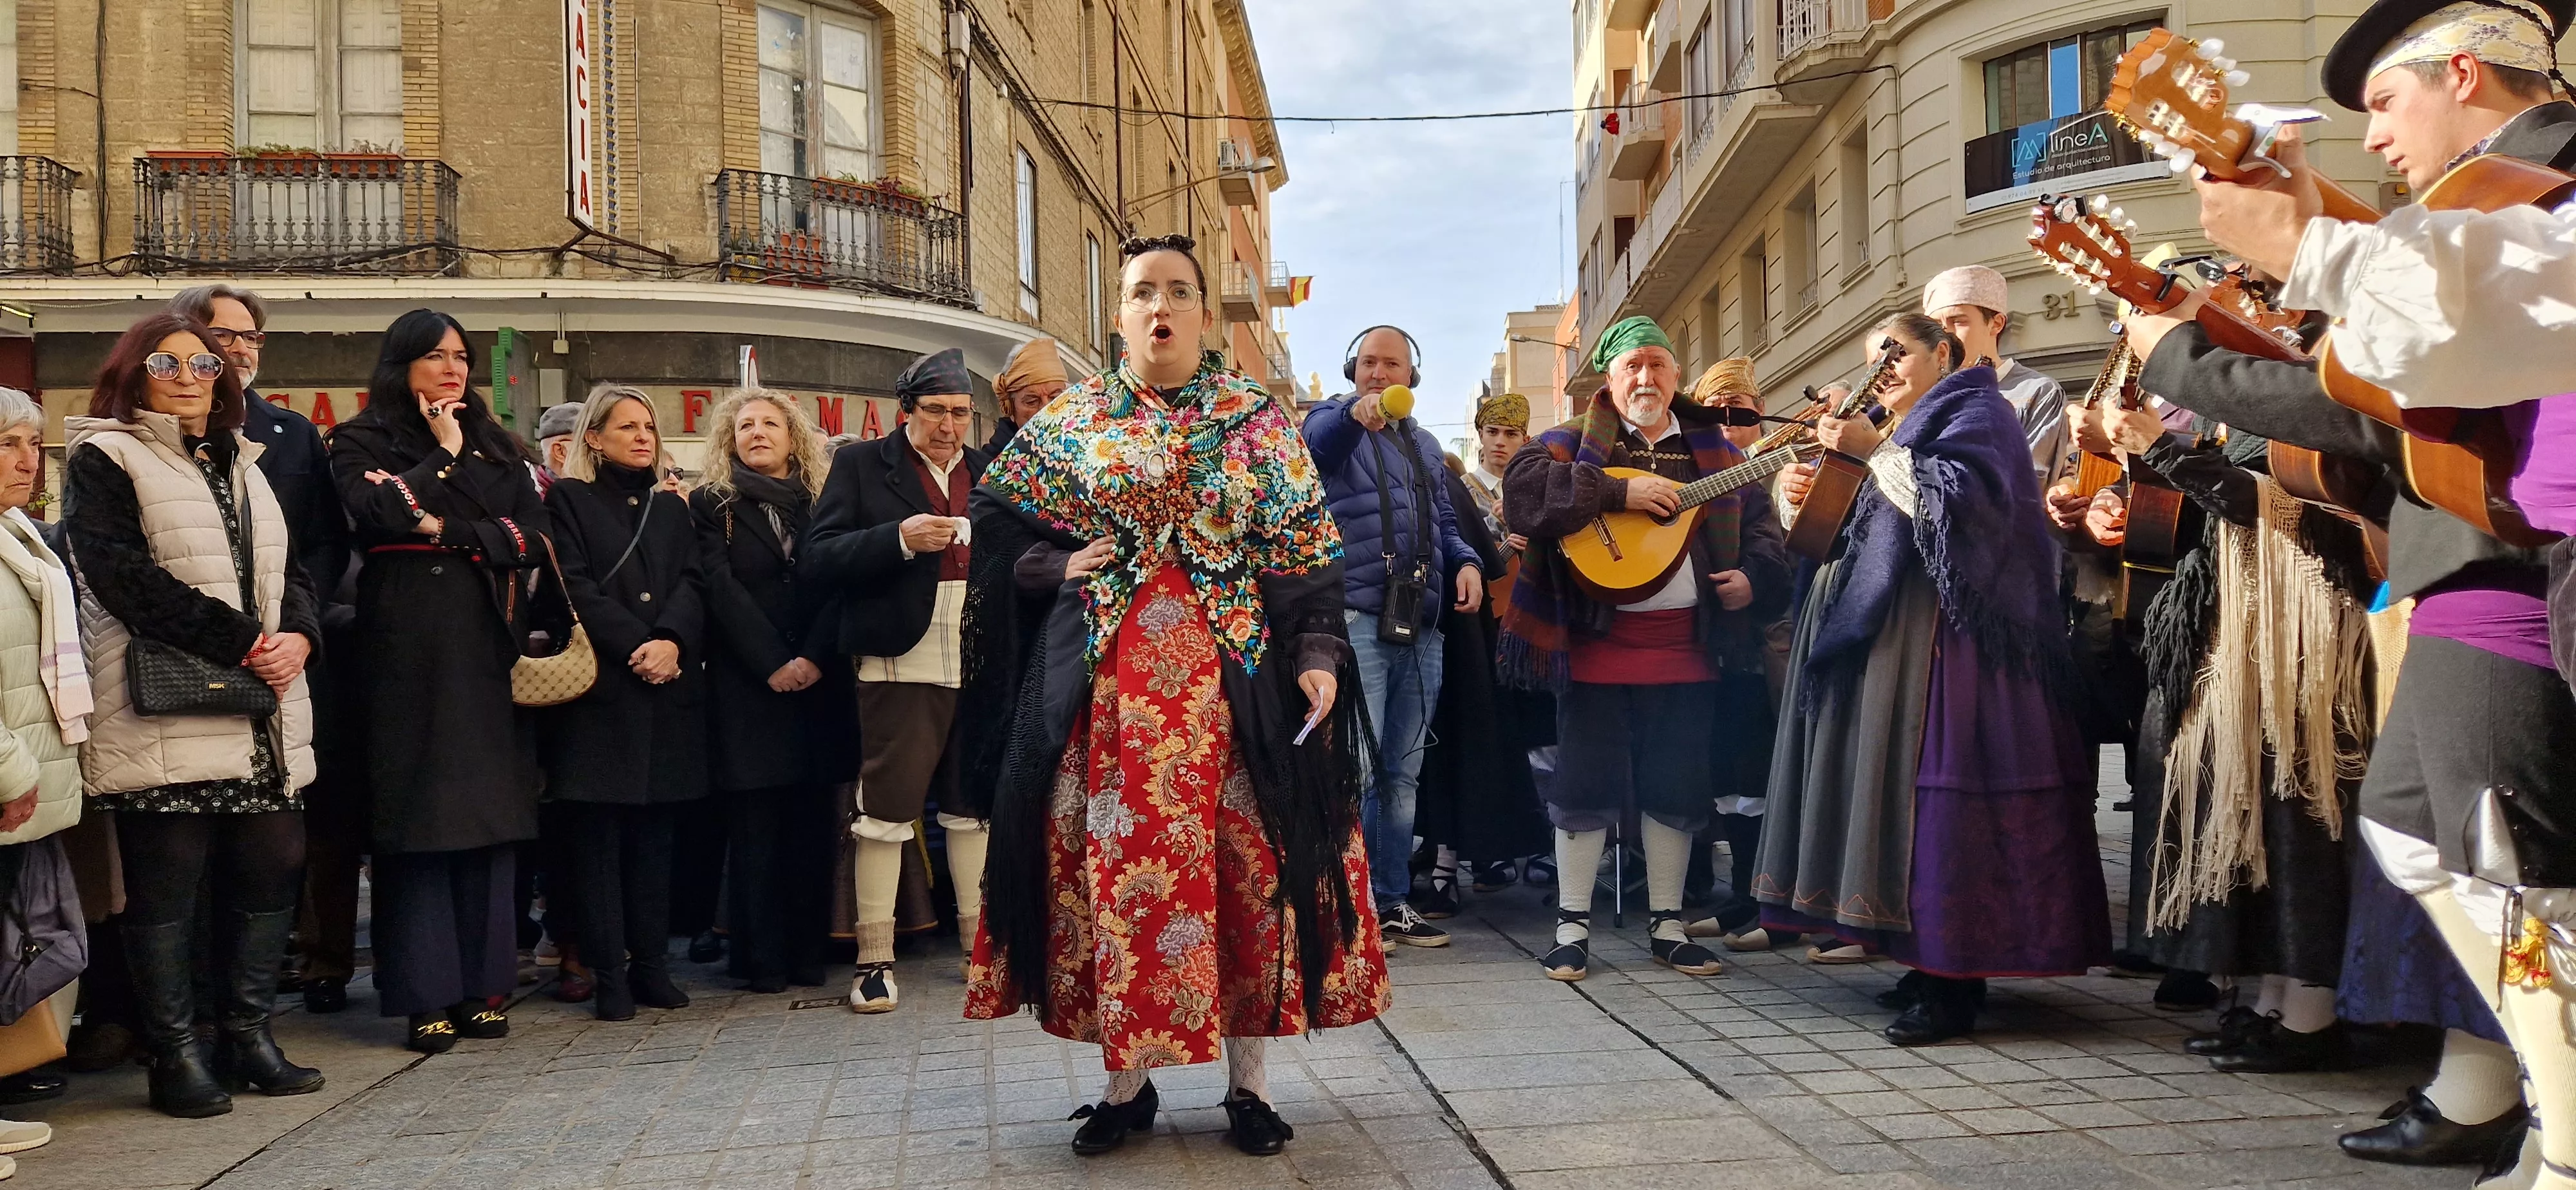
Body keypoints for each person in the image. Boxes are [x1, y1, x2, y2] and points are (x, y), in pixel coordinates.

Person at [2123, 1, 2575, 1167]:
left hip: (2518, 574)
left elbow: (2414, 360)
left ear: (2463, 70)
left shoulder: (2546, 188)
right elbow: (2398, 388)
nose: (2374, 140)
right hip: (2497, 569)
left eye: (2383, 102)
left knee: (2513, 868)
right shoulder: (2465, 218)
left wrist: (2227, 308)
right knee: (2433, 841)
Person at [964, 233, 1385, 1159]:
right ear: (1118, 314)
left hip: (1238, 694)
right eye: (1142, 292)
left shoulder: (1257, 421)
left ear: (1203, 313)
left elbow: (1307, 552)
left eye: (1180, 292)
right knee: (1114, 885)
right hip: (1107, 694)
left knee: (1251, 878)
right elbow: (992, 516)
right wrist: (1051, 560)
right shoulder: (1074, 418)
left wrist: (1317, 649)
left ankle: (1251, 1087)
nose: (1161, 307)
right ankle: (1126, 1088)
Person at [1758, 314, 2111, 1044]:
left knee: (1946, 801)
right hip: (1892, 644)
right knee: (1899, 802)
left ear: (1945, 354)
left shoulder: (1982, 410)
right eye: (1871, 359)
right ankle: (1923, 963)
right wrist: (1803, 490)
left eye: (1896, 354)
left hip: (1956, 652)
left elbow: (1967, 512)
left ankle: (1955, 980)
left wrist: (1872, 451)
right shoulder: (1901, 425)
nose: (1881, 369)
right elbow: (1860, 525)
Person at [64, 312, 323, 1117]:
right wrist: (247, 641)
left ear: (225, 376)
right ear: (135, 373)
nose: (186, 375)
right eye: (165, 361)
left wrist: (301, 639)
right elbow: (120, 576)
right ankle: (175, 1054)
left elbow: (291, 569)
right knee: (168, 885)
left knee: (272, 861)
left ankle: (247, 1037)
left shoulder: (246, 461)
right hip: (163, 706)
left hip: (261, 709)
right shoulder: (105, 455)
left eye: (203, 362)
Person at [1498, 317, 1792, 981]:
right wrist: (1616, 490)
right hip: (1596, 644)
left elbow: (1763, 532)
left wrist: (1753, 577)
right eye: (1632, 366)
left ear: (1677, 377)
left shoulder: (1714, 452)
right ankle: (1572, 924)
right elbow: (1521, 494)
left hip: (1687, 649)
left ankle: (1667, 922)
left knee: (1676, 782)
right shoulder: (1569, 442)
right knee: (1583, 782)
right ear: (1609, 378)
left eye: (1658, 364)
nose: (1646, 378)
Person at [2086, 412, 2374, 1071]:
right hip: (2236, 624)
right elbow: (2205, 510)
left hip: (2299, 631)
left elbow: (2293, 506)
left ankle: (2311, 1015)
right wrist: (2118, 497)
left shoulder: (2309, 392)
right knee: (2259, 827)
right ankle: (2274, 1001)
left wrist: (2160, 447)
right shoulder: (2240, 401)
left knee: (2299, 820)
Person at [328, 309, 551, 1053]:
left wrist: (437, 527)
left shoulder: (500, 444)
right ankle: (425, 996)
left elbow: (528, 539)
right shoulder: (362, 438)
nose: (453, 370)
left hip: (486, 647)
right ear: (402, 366)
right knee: (420, 826)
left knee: (488, 825)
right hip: (405, 650)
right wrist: (442, 460)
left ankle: (483, 988)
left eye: (461, 357)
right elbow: (373, 513)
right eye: (434, 357)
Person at [167, 284, 365, 1017]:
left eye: (253, 336)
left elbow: (321, 542)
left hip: (288, 653)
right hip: (191, 657)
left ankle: (312, 966)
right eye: (227, 334)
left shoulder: (292, 433)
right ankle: (193, 1006)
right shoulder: (149, 433)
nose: (243, 348)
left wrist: (297, 631)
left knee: (300, 824)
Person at [804, 348, 991, 1014]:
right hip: (897, 657)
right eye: (936, 411)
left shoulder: (989, 468)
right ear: (905, 411)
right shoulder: (861, 465)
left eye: (961, 413)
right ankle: (873, 960)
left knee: (973, 810)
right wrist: (900, 540)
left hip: (979, 655)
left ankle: (980, 951)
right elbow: (817, 558)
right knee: (884, 813)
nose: (949, 426)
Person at [1300, 326, 1484, 949]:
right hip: (1355, 621)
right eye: (1369, 363)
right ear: (1353, 368)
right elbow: (1319, 446)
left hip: (1421, 625)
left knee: (1403, 774)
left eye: (1392, 364)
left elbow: (1448, 523)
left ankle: (1393, 901)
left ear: (1412, 376)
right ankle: (1345, 906)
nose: (1379, 374)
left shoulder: (1427, 445)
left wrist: (1466, 563)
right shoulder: (1331, 421)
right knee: (1354, 769)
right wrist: (1356, 414)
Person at [542, 384, 709, 1021]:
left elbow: (692, 581)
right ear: (593, 437)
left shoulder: (671, 509)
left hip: (666, 693)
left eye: (649, 427)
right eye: (627, 427)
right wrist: (638, 645)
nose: (643, 437)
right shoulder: (569, 499)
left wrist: (670, 641)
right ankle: (609, 976)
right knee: (598, 848)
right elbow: (572, 586)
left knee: (654, 845)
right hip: (601, 696)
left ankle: (653, 970)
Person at [688, 390, 857, 994]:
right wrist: (773, 663)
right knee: (756, 830)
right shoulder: (712, 504)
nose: (757, 433)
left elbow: (840, 582)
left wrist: (811, 656)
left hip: (818, 685)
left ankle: (808, 954)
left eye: (769, 424)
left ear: (794, 436)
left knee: (813, 826)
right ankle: (762, 960)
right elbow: (719, 589)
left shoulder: (823, 504)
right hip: (748, 689)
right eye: (745, 426)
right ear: (729, 441)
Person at [1678, 357, 1796, 950]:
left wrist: (1753, 577)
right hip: (1708, 651)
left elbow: (1778, 552)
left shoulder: (1775, 471)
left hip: (1763, 650)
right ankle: (1742, 895)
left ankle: (1769, 899)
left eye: (1740, 416)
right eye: (1715, 417)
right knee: (1726, 779)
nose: (1728, 429)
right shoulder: (1693, 471)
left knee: (1759, 777)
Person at [0, 386, 88, 1164]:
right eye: (8, 444)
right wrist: (10, 771)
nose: (29, 461)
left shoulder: (17, 532)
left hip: (30, 774)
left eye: (34, 443)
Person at [1920, 266, 2070, 484]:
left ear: (1996, 323)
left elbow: (2029, 483)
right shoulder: (1928, 396)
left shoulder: (2036, 391)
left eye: (1959, 321)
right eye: (1936, 327)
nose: (1945, 334)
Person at [985, 337, 1070, 453]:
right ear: (1011, 408)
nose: (1046, 411)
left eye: (1055, 399)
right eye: (1032, 402)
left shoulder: (1091, 452)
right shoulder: (990, 465)